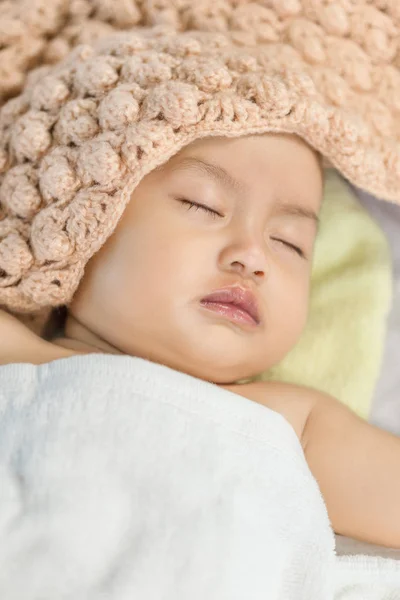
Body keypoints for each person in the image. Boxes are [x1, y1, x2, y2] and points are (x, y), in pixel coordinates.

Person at [0, 24, 399, 551]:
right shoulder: (15, 357)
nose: (253, 257)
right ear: (81, 222)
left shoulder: (289, 426)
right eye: (203, 205)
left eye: (290, 242)